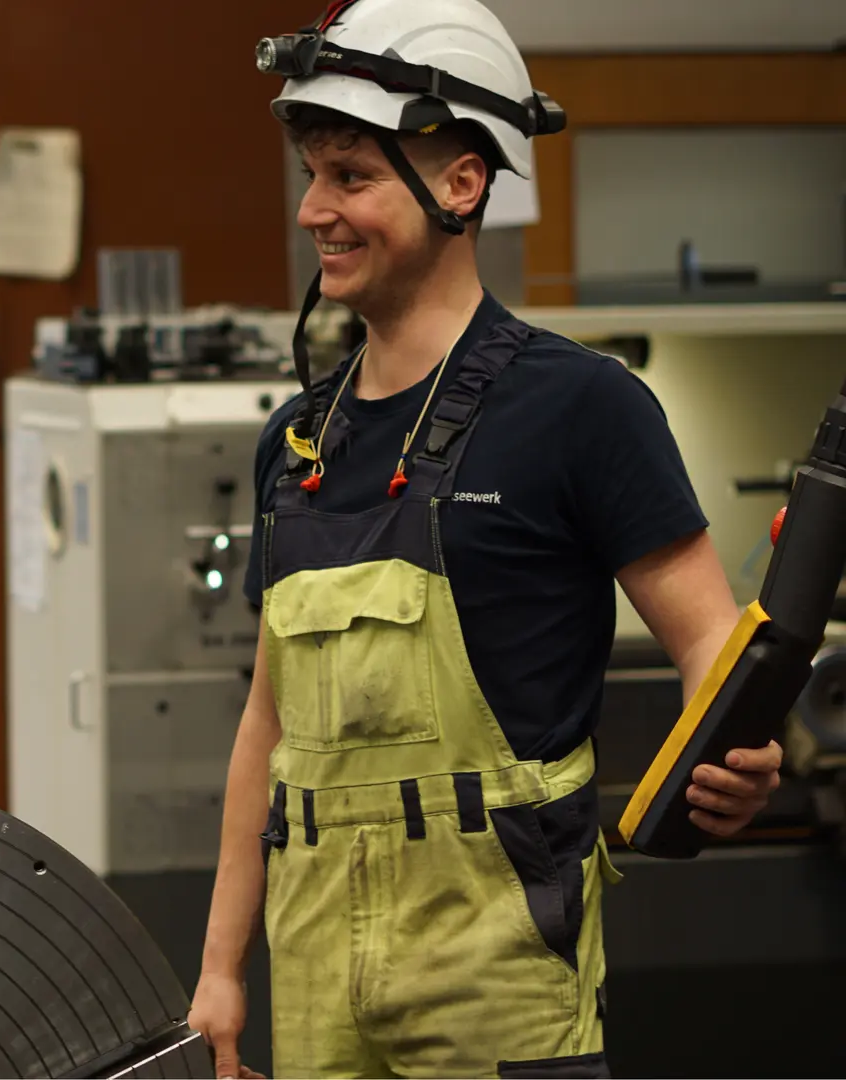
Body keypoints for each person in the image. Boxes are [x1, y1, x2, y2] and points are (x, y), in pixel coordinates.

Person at [186, 1, 783, 1076]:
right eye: (313, 175)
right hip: (316, 975)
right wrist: (222, 971)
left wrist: (735, 750)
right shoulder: (297, 440)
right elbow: (265, 729)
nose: (315, 210)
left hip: (498, 973)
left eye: (352, 177)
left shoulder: (584, 408)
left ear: (461, 184)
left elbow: (710, 642)